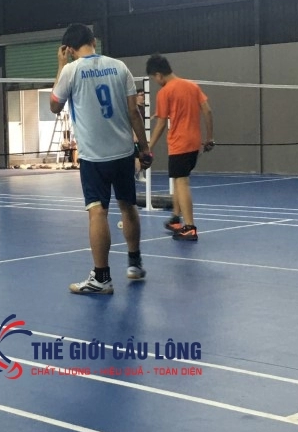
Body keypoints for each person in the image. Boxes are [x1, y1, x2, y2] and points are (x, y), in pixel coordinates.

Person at [51, 23, 152, 294]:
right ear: (93, 41)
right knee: (128, 207)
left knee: (98, 212)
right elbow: (134, 113)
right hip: (123, 152)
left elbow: (54, 105)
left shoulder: (71, 70)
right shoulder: (119, 67)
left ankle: (102, 278)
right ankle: (135, 264)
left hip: (94, 157)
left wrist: (60, 65)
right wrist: (144, 149)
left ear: (69, 49)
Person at [145, 54, 214, 240]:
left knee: (182, 182)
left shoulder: (164, 92)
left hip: (179, 144)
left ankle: (190, 227)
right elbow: (207, 111)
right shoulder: (192, 86)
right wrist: (209, 138)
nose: (155, 82)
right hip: (194, 143)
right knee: (177, 179)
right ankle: (176, 219)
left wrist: (148, 147)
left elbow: (160, 124)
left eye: (154, 78)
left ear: (158, 75)